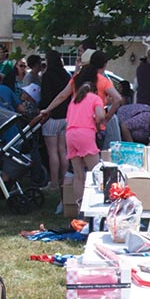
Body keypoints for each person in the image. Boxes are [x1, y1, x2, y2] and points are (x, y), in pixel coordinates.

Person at [65, 57, 109, 212]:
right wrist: (97, 123)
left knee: (78, 174)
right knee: (96, 172)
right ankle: (96, 208)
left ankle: (79, 209)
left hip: (70, 134)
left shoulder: (74, 100)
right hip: (85, 133)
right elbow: (101, 116)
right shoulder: (95, 98)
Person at [37, 49, 71, 190]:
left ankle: (54, 182)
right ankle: (64, 180)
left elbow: (46, 97)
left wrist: (42, 109)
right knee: (63, 150)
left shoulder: (47, 76)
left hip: (51, 116)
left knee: (52, 151)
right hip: (65, 116)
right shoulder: (66, 75)